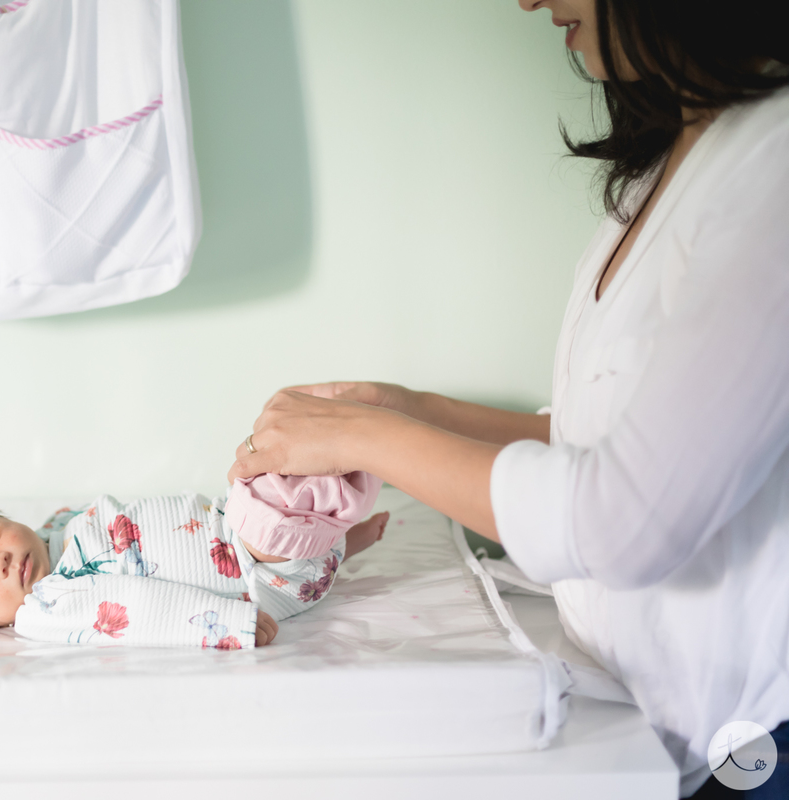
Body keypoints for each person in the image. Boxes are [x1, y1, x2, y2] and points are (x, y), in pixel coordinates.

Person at [227, 1, 789, 797]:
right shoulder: (679, 151)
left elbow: (623, 518)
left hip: (748, 744)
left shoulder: (772, 169)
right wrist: (405, 407)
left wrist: (366, 436)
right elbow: (611, 433)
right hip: (651, 715)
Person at [0, 476, 388, 650]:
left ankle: (341, 540)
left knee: (256, 495)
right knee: (276, 481)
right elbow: (139, 609)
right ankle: (347, 491)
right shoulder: (46, 607)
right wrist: (231, 627)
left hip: (234, 528)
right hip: (258, 568)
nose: (1, 563)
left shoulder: (56, 530)